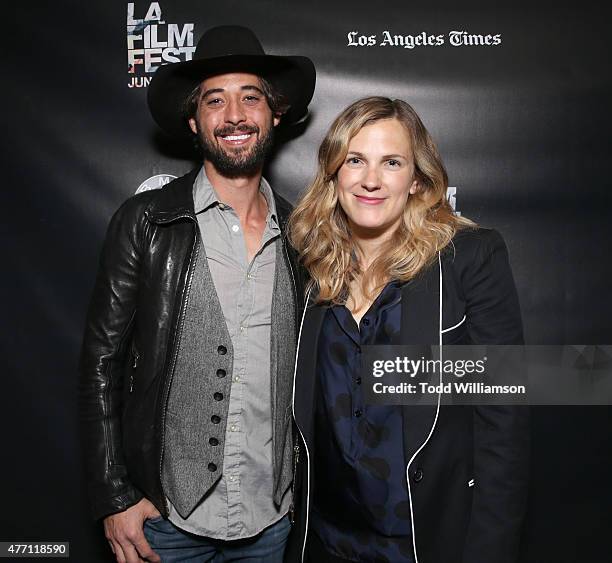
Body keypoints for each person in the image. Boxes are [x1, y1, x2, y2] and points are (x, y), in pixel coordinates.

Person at [79, 25, 314, 563]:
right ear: (194, 121)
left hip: (271, 520)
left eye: (250, 97)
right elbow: (100, 366)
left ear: (274, 114)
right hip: (164, 526)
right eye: (215, 100)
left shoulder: (304, 236)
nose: (234, 116)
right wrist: (115, 493)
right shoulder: (146, 221)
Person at [287, 97, 529, 563]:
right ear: (334, 173)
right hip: (327, 543)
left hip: (423, 542)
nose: (371, 179)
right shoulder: (310, 265)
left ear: (416, 179)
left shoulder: (468, 259)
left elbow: (504, 426)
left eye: (391, 162)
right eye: (355, 160)